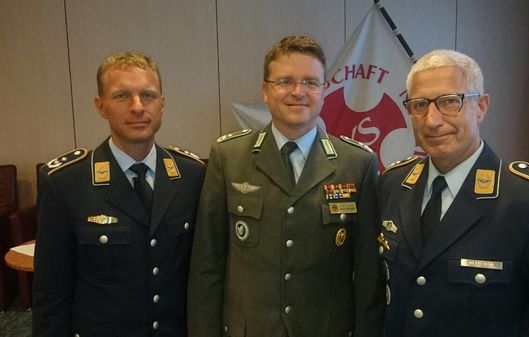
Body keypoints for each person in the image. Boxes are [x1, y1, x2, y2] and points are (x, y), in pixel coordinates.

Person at [378, 49, 529, 336]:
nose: (432, 120)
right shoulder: (393, 183)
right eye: (419, 105)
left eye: (449, 101)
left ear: (480, 107)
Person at [187, 35, 383, 337]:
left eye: (310, 82)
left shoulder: (357, 163)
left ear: (324, 91)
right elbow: (207, 265)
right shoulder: (229, 157)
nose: (298, 92)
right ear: (265, 91)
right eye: (285, 81)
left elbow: (369, 274)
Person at [33, 52, 206, 336]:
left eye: (148, 96)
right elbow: (51, 294)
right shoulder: (66, 183)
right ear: (100, 106)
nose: (138, 107)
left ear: (162, 104)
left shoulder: (191, 175)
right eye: (122, 96)